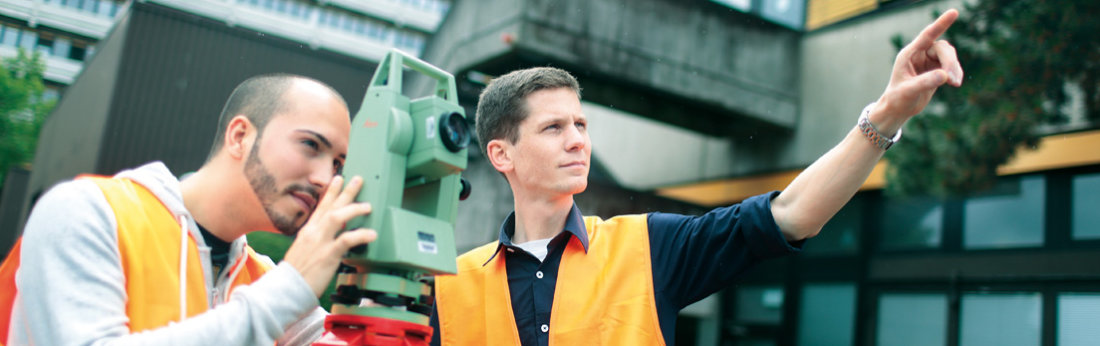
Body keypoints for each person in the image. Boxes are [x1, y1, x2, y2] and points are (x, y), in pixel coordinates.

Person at [430, 9, 966, 346]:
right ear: (502, 154)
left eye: (581, 124)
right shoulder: (445, 287)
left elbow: (790, 213)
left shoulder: (651, 246)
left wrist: (887, 115)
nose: (578, 139)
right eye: (553, 127)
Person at [0, 74, 379, 345]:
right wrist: (289, 289)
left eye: (337, 164)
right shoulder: (86, 211)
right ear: (240, 136)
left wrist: (386, 284)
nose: (325, 178)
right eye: (312, 145)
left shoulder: (263, 277)